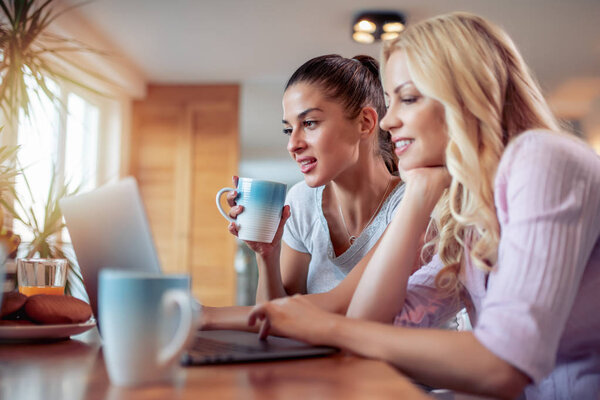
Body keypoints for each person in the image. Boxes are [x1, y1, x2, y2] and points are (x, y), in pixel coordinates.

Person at [247, 12, 600, 399]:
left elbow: (502, 366)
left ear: (465, 97)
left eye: (409, 98)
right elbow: (374, 322)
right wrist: (417, 193)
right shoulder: (469, 209)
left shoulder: (543, 159)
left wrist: (326, 328)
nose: (388, 121)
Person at [225, 54, 404, 303]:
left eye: (309, 123)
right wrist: (266, 253)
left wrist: (208, 316)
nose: (292, 144)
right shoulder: (302, 201)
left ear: (365, 122)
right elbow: (276, 320)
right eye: (289, 129)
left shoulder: (411, 205)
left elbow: (342, 311)